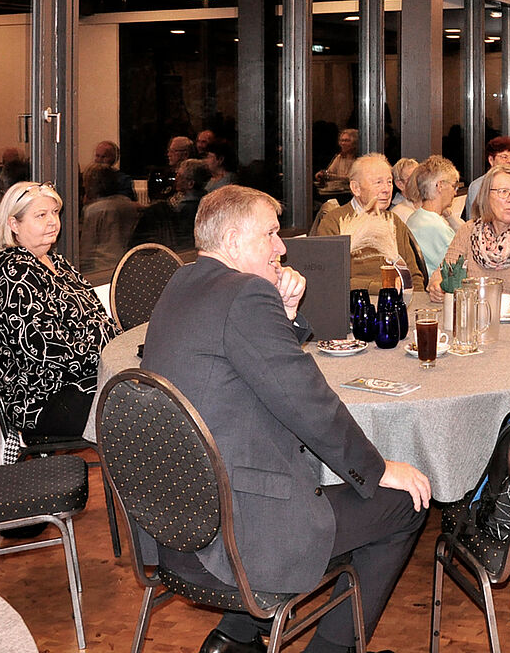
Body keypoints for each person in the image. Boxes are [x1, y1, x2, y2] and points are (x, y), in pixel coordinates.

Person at [141, 184, 429, 653]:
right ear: (234, 241)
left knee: (340, 495)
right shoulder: (246, 294)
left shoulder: (184, 282)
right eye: (271, 235)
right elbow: (309, 404)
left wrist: (287, 316)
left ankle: (236, 635)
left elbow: (250, 374)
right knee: (402, 506)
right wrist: (378, 470)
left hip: (178, 522)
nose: (282, 247)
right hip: (240, 531)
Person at [0, 181, 119, 441]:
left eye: (55, 213)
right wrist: (108, 353)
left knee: (153, 391)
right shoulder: (12, 274)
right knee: (140, 406)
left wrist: (113, 350)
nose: (53, 222)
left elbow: (100, 318)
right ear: (14, 224)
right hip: (41, 398)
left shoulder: (58, 263)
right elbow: (46, 351)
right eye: (41, 215)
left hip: (80, 379)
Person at [429, 165, 510, 302]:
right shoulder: (469, 231)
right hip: (473, 318)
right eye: (503, 191)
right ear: (487, 196)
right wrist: (437, 287)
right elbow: (442, 274)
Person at [315, 153, 424, 293]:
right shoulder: (335, 222)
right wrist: (382, 287)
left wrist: (416, 303)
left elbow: (413, 275)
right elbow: (331, 278)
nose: (386, 189)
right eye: (378, 182)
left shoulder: (393, 221)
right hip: (357, 307)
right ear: (356, 188)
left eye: (389, 182)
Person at [79, 163, 142, 271]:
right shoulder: (128, 205)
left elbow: (86, 250)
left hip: (100, 268)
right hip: (126, 264)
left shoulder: (94, 210)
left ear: (91, 185)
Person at [406, 158, 458, 274]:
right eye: (453, 186)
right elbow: (460, 268)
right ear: (440, 186)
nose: (455, 192)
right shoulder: (436, 227)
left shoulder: (415, 218)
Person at [170, 158, 207, 248]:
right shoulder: (206, 199)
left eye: (180, 176)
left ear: (190, 183)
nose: (176, 179)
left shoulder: (188, 207)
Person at [389, 157, 419, 222]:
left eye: (419, 176)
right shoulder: (397, 212)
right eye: (412, 179)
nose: (419, 182)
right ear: (400, 184)